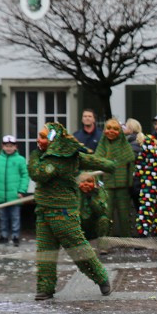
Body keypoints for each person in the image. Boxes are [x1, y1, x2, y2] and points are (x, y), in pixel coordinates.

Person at [28, 121, 115, 301]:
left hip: (63, 212)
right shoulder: (53, 156)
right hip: (44, 210)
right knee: (45, 251)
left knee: (78, 249)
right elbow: (89, 160)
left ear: (53, 140)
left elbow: (38, 174)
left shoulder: (56, 160)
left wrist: (110, 165)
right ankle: (45, 287)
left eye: (43, 137)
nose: (39, 140)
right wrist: (109, 165)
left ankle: (101, 277)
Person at [93, 117, 137, 237]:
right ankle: (105, 241)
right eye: (108, 128)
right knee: (106, 215)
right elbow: (96, 163)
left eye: (115, 129)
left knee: (124, 215)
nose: (111, 131)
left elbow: (130, 165)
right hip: (106, 186)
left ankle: (127, 240)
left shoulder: (125, 145)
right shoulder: (102, 146)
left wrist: (129, 183)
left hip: (123, 186)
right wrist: (98, 184)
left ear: (119, 131)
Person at [0, 135, 29, 246]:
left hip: (15, 195)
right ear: (2, 146)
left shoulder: (20, 160)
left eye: (11, 146)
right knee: (3, 217)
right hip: (1, 194)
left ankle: (15, 236)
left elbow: (25, 175)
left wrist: (22, 191)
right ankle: (4, 235)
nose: (9, 148)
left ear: (15, 147)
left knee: (15, 217)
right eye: (6, 146)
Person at [78, 172, 111, 241]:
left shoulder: (100, 191)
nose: (86, 184)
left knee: (104, 220)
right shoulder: (75, 192)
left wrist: (92, 198)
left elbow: (101, 212)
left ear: (94, 183)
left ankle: (102, 245)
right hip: (80, 226)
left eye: (89, 181)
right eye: (83, 181)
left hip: (94, 226)